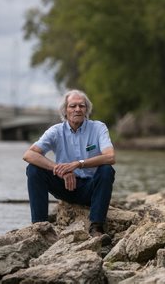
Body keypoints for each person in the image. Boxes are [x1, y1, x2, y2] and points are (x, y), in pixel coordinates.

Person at [23, 89, 115, 245]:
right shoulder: (56, 131)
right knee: (33, 169)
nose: (78, 109)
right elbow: (29, 155)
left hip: (90, 189)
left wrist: (78, 164)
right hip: (65, 186)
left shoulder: (98, 128)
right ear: (65, 111)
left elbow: (110, 156)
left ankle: (96, 227)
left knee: (107, 169)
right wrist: (59, 170)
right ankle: (40, 227)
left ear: (87, 110)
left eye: (82, 106)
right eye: (73, 106)